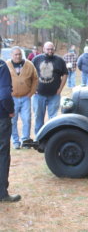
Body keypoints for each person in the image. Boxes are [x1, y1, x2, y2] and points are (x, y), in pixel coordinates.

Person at [32, 41, 68, 135]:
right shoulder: (36, 59)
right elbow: (29, 74)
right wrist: (32, 88)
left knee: (53, 118)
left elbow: (65, 74)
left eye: (52, 49)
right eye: (48, 49)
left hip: (54, 95)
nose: (50, 51)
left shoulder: (59, 60)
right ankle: (38, 137)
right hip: (38, 94)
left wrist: (60, 89)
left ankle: (52, 136)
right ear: (43, 49)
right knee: (38, 117)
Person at [6, 47, 38, 149]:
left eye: (19, 54)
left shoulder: (29, 64)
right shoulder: (6, 65)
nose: (18, 56)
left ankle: (25, 140)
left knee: (27, 119)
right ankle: (15, 141)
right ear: (11, 55)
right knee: (12, 120)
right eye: (15, 54)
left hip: (25, 97)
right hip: (12, 98)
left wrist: (31, 92)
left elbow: (35, 79)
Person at [0, 57, 21, 202]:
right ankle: (2, 193)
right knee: (2, 154)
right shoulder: (2, 66)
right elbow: (5, 95)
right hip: (1, 117)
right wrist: (11, 110)